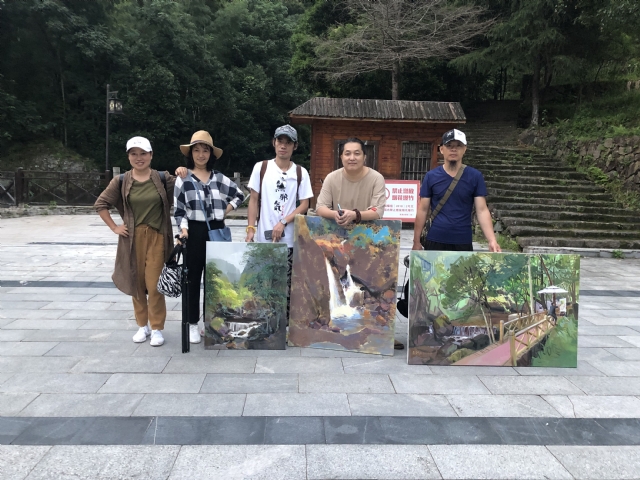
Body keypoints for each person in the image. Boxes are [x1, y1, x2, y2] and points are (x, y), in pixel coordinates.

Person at [95, 136, 176, 347]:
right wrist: (115, 227)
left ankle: (157, 327)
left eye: (143, 153)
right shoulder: (121, 181)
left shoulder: (163, 178)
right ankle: (142, 325)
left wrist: (183, 173)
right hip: (132, 239)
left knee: (155, 285)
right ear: (128, 156)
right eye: (134, 154)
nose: (139, 158)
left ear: (151, 155)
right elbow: (101, 204)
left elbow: (184, 191)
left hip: (158, 237)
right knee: (136, 283)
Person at [174, 130, 245, 343]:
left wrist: (226, 210)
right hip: (194, 232)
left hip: (217, 230)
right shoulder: (183, 178)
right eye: (196, 150)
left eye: (205, 150)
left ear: (211, 154)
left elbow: (240, 194)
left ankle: (211, 322)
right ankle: (192, 323)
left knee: (215, 280)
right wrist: (183, 229)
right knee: (192, 279)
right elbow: (179, 210)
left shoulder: (220, 178)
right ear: (191, 154)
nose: (201, 154)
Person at [245, 125, 313, 314]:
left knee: (286, 285)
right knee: (262, 284)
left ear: (295, 146)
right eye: (280, 141)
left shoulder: (300, 172)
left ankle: (284, 325)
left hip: (289, 239)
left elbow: (305, 204)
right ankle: (265, 322)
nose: (283, 146)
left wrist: (283, 222)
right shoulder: (262, 168)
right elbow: (253, 199)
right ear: (274, 143)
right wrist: (250, 228)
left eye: (288, 142)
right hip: (264, 239)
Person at [412, 129, 501, 253]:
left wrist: (492, 240)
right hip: (435, 238)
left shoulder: (475, 176)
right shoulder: (431, 177)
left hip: (462, 239)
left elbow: (481, 210)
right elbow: (423, 209)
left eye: (458, 146)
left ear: (465, 149)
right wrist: (416, 242)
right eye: (449, 146)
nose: (453, 149)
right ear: (441, 149)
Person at [315, 137, 385, 224]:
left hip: (367, 230)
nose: (352, 158)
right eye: (347, 154)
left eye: (357, 153)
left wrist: (356, 215)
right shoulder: (331, 178)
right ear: (341, 157)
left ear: (364, 157)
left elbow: (377, 211)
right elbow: (320, 208)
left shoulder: (376, 178)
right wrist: (335, 214)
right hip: (338, 228)